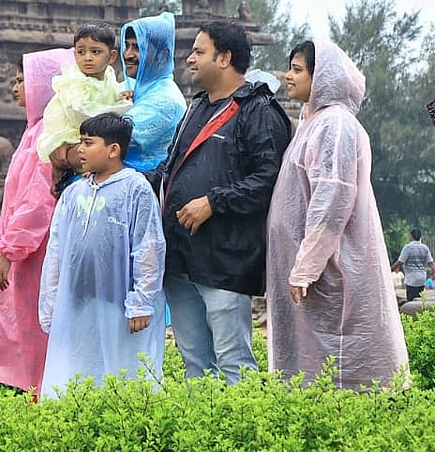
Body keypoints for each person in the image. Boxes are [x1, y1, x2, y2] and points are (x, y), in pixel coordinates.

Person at [149, 20, 292, 384]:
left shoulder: (258, 110)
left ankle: (242, 435)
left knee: (233, 360)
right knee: (194, 363)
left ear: (225, 57)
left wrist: (214, 201)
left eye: (199, 51)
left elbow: (269, 179)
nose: (190, 59)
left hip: (225, 259)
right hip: (180, 255)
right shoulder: (195, 108)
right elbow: (170, 166)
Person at [267, 40, 409, 389]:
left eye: (298, 69)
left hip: (333, 270)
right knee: (315, 361)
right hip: (315, 269)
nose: (288, 76)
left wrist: (306, 268)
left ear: (324, 78)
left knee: (340, 357)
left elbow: (332, 200)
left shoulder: (336, 125)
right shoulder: (311, 123)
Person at [39, 113, 166, 397]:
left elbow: (148, 247)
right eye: (80, 143)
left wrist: (141, 302)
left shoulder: (135, 189)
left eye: (88, 143)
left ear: (113, 150)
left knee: (120, 368)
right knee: (78, 364)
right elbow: (57, 248)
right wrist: (51, 299)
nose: (80, 150)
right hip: (78, 298)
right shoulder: (75, 192)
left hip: (117, 302)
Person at [0, 47, 73, 397]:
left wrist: (9, 249)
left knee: (35, 329)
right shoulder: (34, 131)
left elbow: (37, 203)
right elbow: (15, 200)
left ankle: (41, 400)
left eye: (22, 80)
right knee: (24, 329)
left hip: (36, 253)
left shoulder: (48, 133)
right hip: (24, 250)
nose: (15, 87)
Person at [36, 23, 131, 195]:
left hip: (97, 138)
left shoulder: (110, 79)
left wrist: (124, 98)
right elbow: (79, 113)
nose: (87, 58)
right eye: (81, 52)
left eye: (95, 52)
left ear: (111, 56)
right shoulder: (72, 82)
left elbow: (112, 96)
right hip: (69, 134)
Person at [119, 12, 187, 172]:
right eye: (126, 46)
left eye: (137, 48)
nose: (128, 55)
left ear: (160, 55)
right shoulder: (134, 90)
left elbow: (109, 142)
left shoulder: (164, 100)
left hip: (144, 188)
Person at [392, 228, 434, 303]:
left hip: (411, 279)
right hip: (422, 278)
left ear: (411, 236)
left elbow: (400, 262)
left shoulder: (408, 247)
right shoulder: (425, 248)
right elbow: (431, 263)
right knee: (420, 300)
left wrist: (390, 269)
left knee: (411, 301)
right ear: (420, 237)